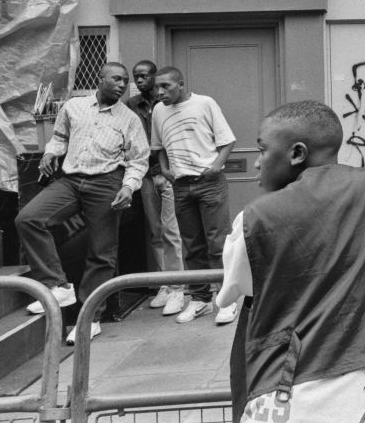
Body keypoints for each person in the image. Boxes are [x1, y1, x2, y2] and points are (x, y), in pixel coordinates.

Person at [219, 100, 365, 423]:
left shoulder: (253, 220)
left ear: (297, 154)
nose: (256, 163)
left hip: (291, 393)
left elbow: (235, 288)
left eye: (262, 150)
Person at [15, 62, 149, 345]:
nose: (122, 84)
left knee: (102, 252)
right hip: (72, 181)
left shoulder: (129, 119)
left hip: (106, 183)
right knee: (29, 219)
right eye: (116, 79)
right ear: (99, 80)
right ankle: (57, 285)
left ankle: (91, 318)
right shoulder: (73, 107)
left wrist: (128, 186)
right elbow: (59, 137)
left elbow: (138, 160)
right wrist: (50, 153)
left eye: (125, 81)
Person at [150, 66, 239, 325]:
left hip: (209, 182)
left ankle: (226, 299)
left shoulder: (204, 103)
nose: (160, 92)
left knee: (218, 242)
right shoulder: (158, 110)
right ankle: (200, 300)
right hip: (180, 184)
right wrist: (165, 169)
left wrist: (215, 167)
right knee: (192, 244)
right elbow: (158, 146)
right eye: (157, 87)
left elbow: (227, 141)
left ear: (181, 84)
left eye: (166, 86)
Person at [126, 60, 185, 316]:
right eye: (135, 77)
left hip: (169, 172)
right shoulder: (130, 106)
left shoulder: (168, 103)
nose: (139, 81)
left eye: (144, 76)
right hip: (146, 175)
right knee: (155, 231)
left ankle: (179, 287)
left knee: (174, 231)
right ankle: (164, 284)